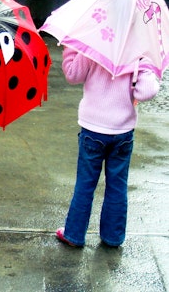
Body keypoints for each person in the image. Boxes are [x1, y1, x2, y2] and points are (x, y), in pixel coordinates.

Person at [56, 47, 160, 247]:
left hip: (92, 129)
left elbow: (72, 74)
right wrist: (146, 65)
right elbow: (145, 92)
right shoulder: (138, 48)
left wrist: (72, 49)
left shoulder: (93, 43)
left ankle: (74, 235)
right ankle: (113, 237)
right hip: (123, 130)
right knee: (117, 185)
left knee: (85, 184)